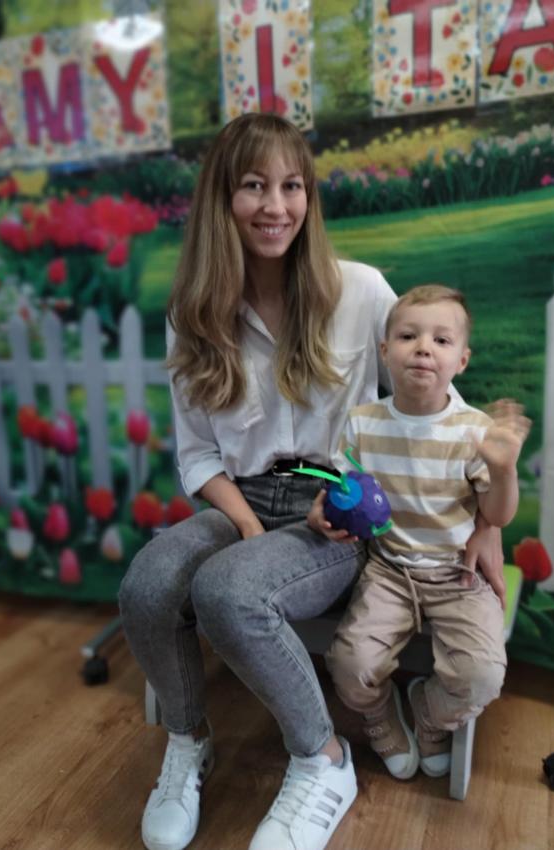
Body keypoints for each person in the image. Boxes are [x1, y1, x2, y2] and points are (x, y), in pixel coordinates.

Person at [118, 115, 503, 850]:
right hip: (241, 500)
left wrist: (487, 521)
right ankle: (188, 739)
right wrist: (247, 527)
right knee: (147, 585)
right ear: (223, 199)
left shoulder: (360, 291)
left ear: (308, 197)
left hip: (334, 507)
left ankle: (323, 760)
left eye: (291, 186)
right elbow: (197, 455)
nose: (276, 206)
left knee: (230, 591)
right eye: (254, 186)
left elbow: (441, 407)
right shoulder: (192, 313)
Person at [310, 284, 530, 782]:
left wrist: (504, 471)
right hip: (388, 570)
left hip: (458, 573)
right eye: (409, 336)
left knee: (481, 675)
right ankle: (379, 715)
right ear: (385, 351)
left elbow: (497, 516)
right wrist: (320, 510)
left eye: (441, 340)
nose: (424, 348)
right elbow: (341, 488)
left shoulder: (473, 430)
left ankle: (428, 714)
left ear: (462, 361)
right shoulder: (362, 424)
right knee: (349, 664)